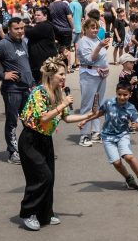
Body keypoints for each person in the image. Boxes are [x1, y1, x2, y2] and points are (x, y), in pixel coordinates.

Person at [17, 56, 97, 231]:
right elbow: (44, 117)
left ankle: (45, 213)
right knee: (41, 176)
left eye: (65, 74)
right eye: (61, 74)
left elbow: (66, 118)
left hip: (45, 139)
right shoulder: (38, 92)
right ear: (50, 75)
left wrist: (88, 116)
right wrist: (63, 105)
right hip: (30, 139)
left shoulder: (59, 93)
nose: (64, 77)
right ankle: (28, 213)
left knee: (49, 177)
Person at [80, 81, 138, 192]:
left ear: (130, 94)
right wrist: (86, 120)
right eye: (119, 94)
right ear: (116, 93)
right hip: (107, 137)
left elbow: (136, 123)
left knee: (128, 157)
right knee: (116, 162)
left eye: (125, 95)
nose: (122, 97)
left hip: (122, 135)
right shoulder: (109, 103)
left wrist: (136, 126)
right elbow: (99, 113)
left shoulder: (131, 108)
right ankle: (129, 178)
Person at [0, 17, 36, 164]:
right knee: (12, 122)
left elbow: (25, 64)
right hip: (12, 90)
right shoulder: (2, 45)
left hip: (27, 88)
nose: (20, 31)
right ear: (9, 29)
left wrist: (32, 82)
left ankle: (31, 149)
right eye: (16, 29)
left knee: (29, 121)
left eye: (21, 28)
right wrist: (2, 75)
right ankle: (13, 152)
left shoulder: (24, 42)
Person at [76, 18, 110, 147]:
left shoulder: (97, 39)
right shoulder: (83, 41)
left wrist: (101, 45)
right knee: (87, 104)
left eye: (96, 27)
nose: (95, 30)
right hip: (89, 74)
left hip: (101, 74)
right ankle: (84, 134)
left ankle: (96, 131)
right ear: (85, 29)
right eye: (92, 27)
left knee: (98, 104)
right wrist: (100, 46)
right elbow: (90, 59)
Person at [48, 0, 74, 65]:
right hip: (66, 30)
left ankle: (59, 65)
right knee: (66, 50)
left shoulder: (50, 5)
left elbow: (49, 18)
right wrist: (73, 27)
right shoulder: (64, 4)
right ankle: (66, 66)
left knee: (58, 49)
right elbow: (69, 17)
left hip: (55, 30)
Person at [68, 0, 84, 70]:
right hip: (79, 27)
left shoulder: (71, 4)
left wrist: (72, 27)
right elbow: (81, 17)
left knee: (68, 47)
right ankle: (77, 64)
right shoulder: (79, 4)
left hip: (73, 28)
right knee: (77, 47)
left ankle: (68, 65)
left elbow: (69, 16)